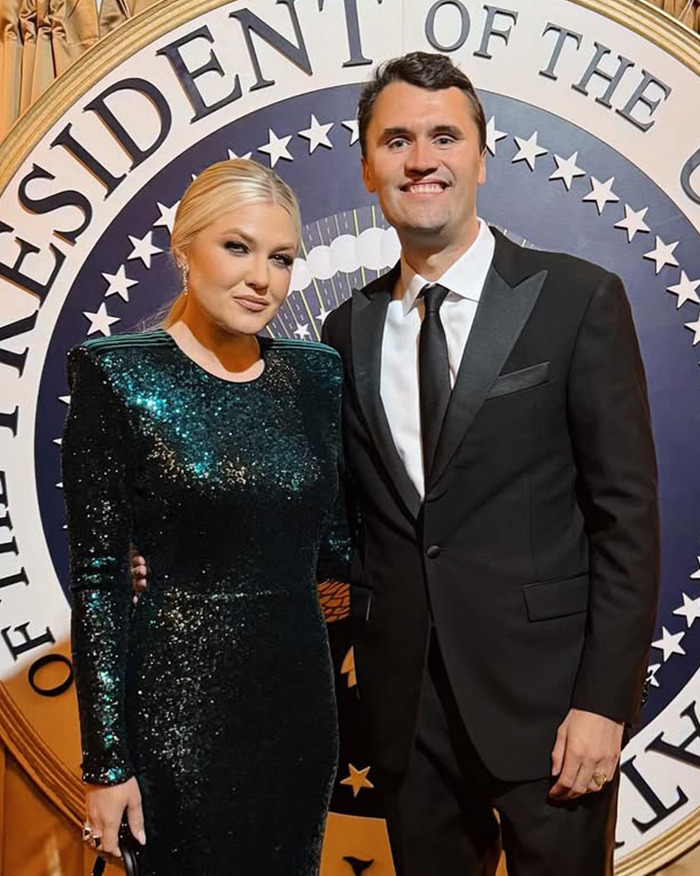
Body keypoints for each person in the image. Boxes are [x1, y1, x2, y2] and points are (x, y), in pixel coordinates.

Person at [319, 53, 660, 875]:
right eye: (396, 140)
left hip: (550, 715)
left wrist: (602, 706)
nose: (422, 158)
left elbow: (627, 522)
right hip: (408, 720)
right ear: (368, 166)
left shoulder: (577, 298)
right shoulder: (345, 332)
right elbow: (339, 526)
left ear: (481, 153)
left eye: (445, 136)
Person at [62, 159, 350, 875]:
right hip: (173, 716)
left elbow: (341, 543)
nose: (263, 278)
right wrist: (105, 763)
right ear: (183, 248)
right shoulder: (116, 372)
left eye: (281, 259)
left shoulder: (313, 374)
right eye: (237, 247)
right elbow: (99, 579)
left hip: (298, 710)